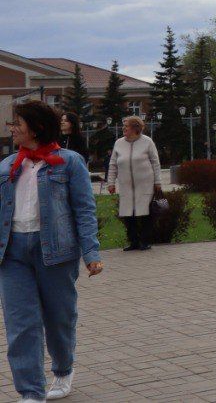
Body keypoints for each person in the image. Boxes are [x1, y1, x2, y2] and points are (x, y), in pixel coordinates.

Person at [0, 101, 103, 402]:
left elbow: (84, 210)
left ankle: (62, 370)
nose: (12, 128)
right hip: (12, 253)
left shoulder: (69, 162)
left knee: (59, 318)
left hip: (56, 252)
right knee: (21, 324)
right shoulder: (6, 166)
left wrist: (91, 253)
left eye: (17, 123)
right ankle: (31, 392)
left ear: (37, 127)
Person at [106, 115, 162, 251]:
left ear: (135, 128)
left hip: (145, 184)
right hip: (126, 185)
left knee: (145, 214)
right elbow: (113, 164)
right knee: (128, 214)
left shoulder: (147, 142)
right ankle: (133, 242)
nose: (123, 129)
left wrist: (158, 181)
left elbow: (155, 162)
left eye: (126, 126)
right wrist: (111, 182)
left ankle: (145, 241)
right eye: (123, 126)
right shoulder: (119, 143)